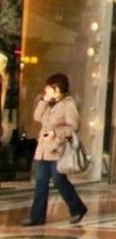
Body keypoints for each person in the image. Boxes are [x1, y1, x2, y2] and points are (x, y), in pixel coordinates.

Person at [22, 74, 87, 227]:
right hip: (43, 149)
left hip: (58, 149)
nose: (46, 89)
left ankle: (77, 208)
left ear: (57, 88)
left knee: (59, 181)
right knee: (40, 182)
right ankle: (37, 217)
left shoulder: (68, 104)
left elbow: (73, 127)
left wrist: (56, 133)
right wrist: (44, 101)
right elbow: (37, 117)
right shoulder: (48, 102)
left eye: (49, 87)